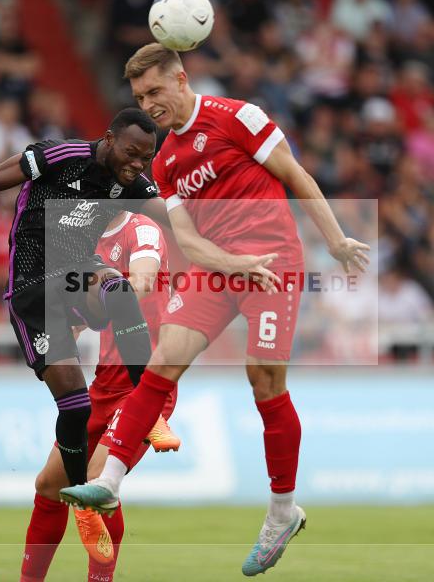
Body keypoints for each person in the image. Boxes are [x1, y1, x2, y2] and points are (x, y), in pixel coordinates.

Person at [59, 43, 369, 577]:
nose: (149, 103)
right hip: (220, 267)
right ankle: (107, 482)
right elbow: (190, 241)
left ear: (181, 79)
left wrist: (337, 240)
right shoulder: (165, 159)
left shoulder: (237, 117)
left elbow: (296, 176)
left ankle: (281, 511)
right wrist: (231, 262)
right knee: (163, 360)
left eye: (155, 91)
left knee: (264, 381)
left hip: (274, 261)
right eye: (139, 96)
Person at [0, 107, 169, 563]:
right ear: (110, 139)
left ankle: (147, 408)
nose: (139, 163)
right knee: (75, 406)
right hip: (32, 293)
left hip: (76, 278)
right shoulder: (60, 156)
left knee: (115, 287)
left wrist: (234, 252)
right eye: (133, 152)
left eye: (148, 157)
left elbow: (179, 221)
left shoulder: (134, 184)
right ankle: (82, 496)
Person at [21, 210, 178, 582]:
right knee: (49, 485)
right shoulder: (83, 242)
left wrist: (109, 290)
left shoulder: (142, 230)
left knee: (95, 482)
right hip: (104, 385)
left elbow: (141, 280)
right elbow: (76, 312)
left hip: (147, 384)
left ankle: (99, 579)